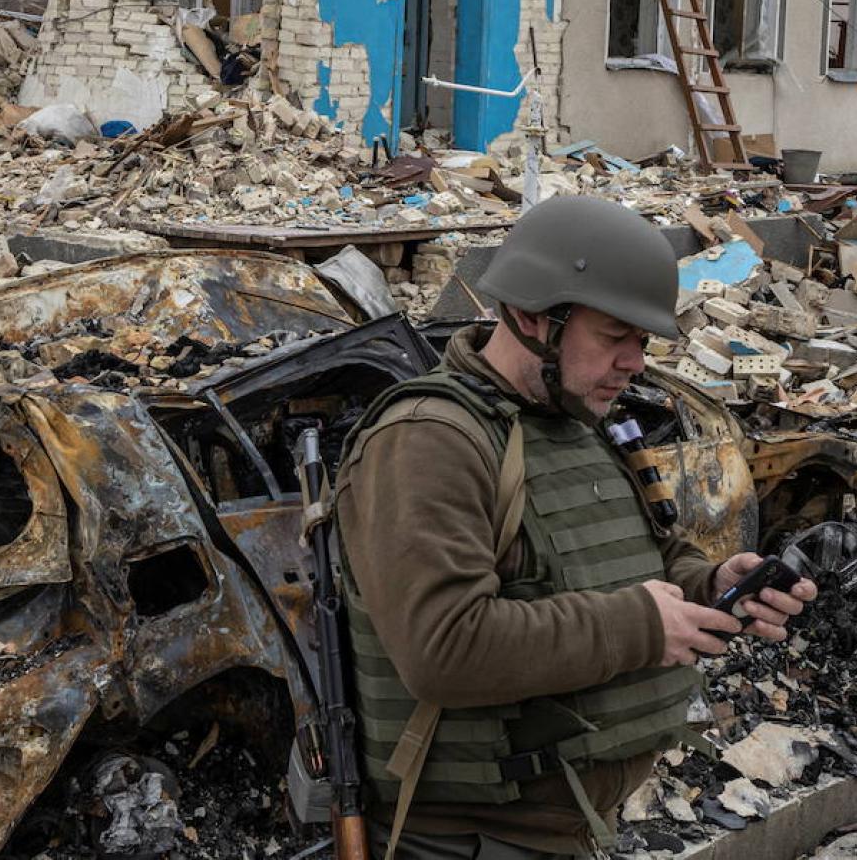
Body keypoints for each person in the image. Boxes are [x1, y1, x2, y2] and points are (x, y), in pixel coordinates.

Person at [335, 194, 816, 860]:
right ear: (533, 314)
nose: (635, 363)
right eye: (614, 336)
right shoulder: (429, 441)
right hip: (470, 839)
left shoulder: (575, 420)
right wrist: (643, 628)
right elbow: (443, 649)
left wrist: (709, 588)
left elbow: (637, 565)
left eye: (641, 342)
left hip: (573, 828)